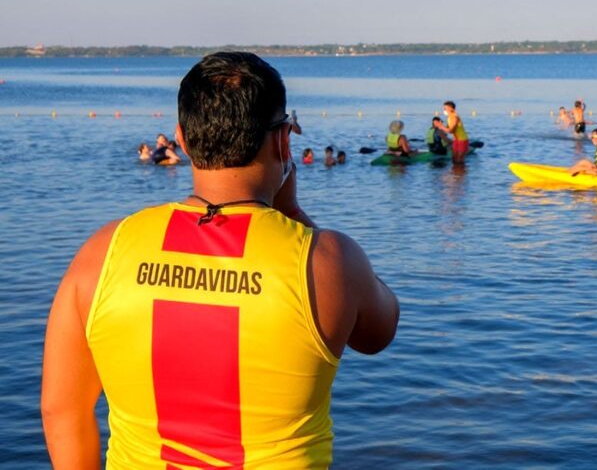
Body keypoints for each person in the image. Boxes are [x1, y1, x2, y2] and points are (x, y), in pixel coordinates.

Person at [42, 52, 399, 468]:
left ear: (183, 138)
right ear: (283, 142)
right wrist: (294, 214)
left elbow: (61, 410)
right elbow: (380, 331)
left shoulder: (102, 251)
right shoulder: (329, 261)